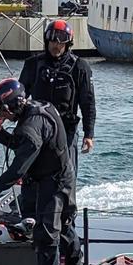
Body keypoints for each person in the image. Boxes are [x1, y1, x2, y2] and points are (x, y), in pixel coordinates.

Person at [0, 78, 86, 265]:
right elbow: (27, 147)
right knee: (64, 226)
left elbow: (16, 172)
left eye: (2, 111)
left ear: (14, 105)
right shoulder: (36, 111)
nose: (0, 116)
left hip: (56, 181)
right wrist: (1, 135)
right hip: (55, 174)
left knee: (48, 235)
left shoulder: (31, 126)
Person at [18, 19, 96, 186]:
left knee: (66, 173)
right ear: (47, 41)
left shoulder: (80, 67)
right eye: (53, 42)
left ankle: (67, 204)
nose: (56, 46)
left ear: (68, 44)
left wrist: (89, 134)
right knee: (31, 173)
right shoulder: (33, 65)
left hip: (66, 129)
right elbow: (20, 97)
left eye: (61, 43)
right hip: (37, 128)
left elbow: (87, 102)